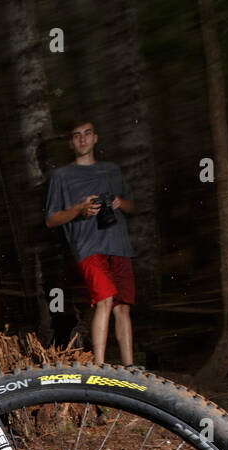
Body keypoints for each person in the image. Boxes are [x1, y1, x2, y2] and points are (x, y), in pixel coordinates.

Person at [44, 121, 138, 365]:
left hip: (118, 245)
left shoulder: (111, 170)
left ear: (96, 138)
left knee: (123, 307)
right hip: (87, 247)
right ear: (70, 142)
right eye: (76, 136)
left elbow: (132, 206)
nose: (82, 140)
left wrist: (118, 202)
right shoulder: (61, 176)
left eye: (87, 134)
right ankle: (99, 366)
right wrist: (79, 208)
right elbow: (51, 220)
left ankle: (130, 367)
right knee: (104, 299)